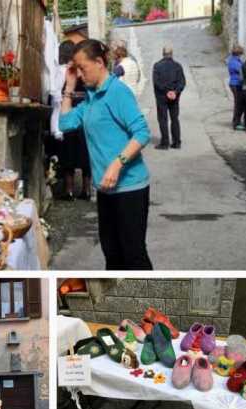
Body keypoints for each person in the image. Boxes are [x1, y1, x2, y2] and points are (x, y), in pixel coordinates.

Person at [59, 39, 153, 270]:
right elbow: (65, 123)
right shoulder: (91, 98)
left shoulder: (117, 92)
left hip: (129, 188)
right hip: (105, 190)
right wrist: (69, 87)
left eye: (83, 68)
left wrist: (117, 163)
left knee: (133, 256)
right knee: (112, 255)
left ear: (99, 62)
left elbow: (142, 132)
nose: (80, 75)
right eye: (77, 70)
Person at [48, 40, 92, 201]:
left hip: (68, 111)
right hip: (84, 113)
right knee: (86, 153)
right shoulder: (84, 71)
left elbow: (55, 94)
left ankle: (69, 190)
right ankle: (87, 190)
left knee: (68, 154)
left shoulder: (63, 72)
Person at [153, 45, 186, 149]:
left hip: (162, 97)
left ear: (163, 54)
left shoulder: (157, 66)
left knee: (163, 119)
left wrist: (166, 91)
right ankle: (176, 142)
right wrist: (175, 92)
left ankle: (165, 143)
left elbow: (156, 82)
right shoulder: (178, 66)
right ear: (172, 54)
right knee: (174, 118)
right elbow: (182, 82)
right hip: (174, 97)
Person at [226, 44, 245, 130]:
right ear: (239, 53)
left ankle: (237, 121)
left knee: (238, 103)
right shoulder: (235, 62)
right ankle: (236, 122)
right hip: (236, 84)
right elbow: (242, 70)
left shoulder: (233, 60)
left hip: (235, 83)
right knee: (238, 103)